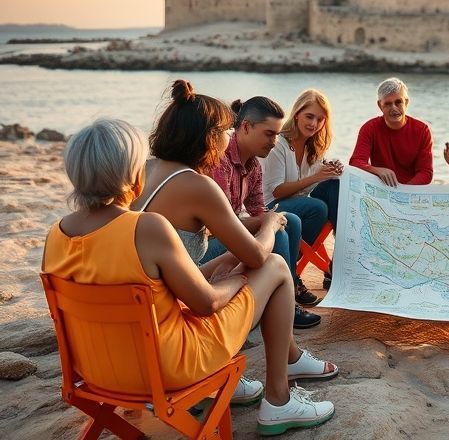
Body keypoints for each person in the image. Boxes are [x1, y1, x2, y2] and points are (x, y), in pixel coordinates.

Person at [43, 119, 336, 436]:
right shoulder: (146, 228)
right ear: (132, 173)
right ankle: (278, 401)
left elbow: (156, 288)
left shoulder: (56, 235)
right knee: (276, 266)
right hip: (167, 369)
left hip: (97, 370)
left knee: (243, 265)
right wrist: (239, 279)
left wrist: (225, 261)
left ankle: (241, 386)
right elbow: (206, 303)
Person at [130, 81, 338, 415]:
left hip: (140, 335)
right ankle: (279, 399)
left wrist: (232, 258)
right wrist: (269, 225)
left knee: (254, 254)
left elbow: (168, 266)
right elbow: (252, 255)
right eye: (225, 129)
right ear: (210, 136)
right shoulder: (198, 184)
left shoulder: (145, 171)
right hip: (175, 344)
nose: (228, 137)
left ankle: (277, 358)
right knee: (273, 265)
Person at [203, 95, 321, 329]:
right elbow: (219, 227)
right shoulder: (221, 161)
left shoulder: (254, 166)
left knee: (291, 221)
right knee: (275, 230)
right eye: (269, 134)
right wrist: (268, 222)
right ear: (245, 127)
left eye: (277, 135)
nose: (275, 142)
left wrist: (271, 219)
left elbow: (258, 210)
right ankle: (285, 303)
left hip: (228, 234)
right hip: (206, 250)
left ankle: (287, 285)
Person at [263, 89, 342, 290]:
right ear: (297, 113)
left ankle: (340, 257)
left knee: (335, 186)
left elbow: (312, 184)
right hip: (271, 207)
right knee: (317, 207)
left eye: (320, 119)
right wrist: (316, 176)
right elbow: (276, 191)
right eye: (309, 116)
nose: (314, 124)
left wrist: (332, 171)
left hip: (300, 208)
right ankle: (295, 261)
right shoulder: (278, 144)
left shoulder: (313, 147)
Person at [349, 77, 433, 187]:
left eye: (398, 102)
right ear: (380, 105)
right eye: (388, 104)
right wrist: (377, 170)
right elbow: (356, 162)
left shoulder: (422, 130)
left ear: (406, 103)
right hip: (381, 189)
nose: (394, 108)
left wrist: (404, 191)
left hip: (411, 190)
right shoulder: (369, 128)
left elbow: (426, 173)